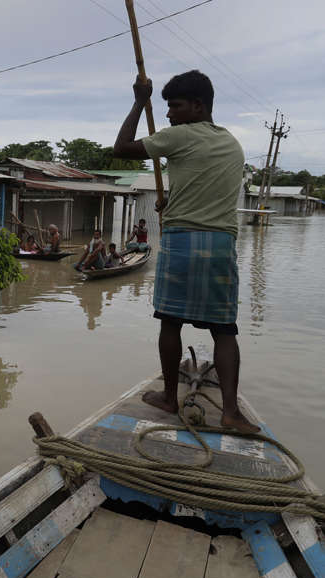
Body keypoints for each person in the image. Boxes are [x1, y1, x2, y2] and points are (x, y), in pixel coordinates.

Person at [113, 69, 259, 433]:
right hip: (220, 243)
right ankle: (230, 411)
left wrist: (139, 101)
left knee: (170, 321)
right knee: (224, 330)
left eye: (174, 106)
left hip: (181, 240)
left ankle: (168, 397)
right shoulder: (231, 143)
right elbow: (202, 187)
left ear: (198, 106)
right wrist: (171, 201)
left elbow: (122, 148)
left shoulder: (179, 135)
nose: (167, 114)